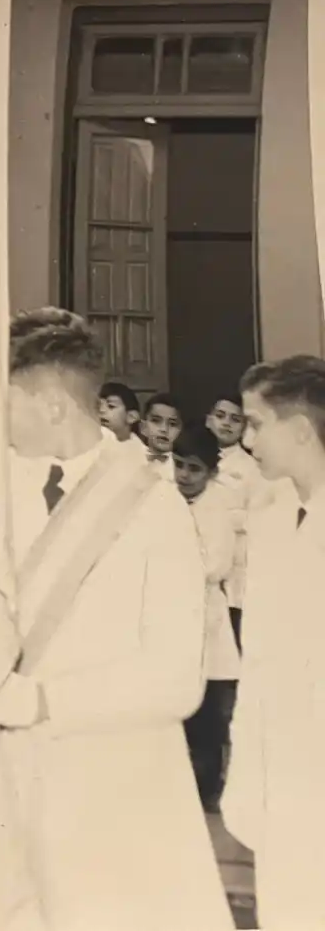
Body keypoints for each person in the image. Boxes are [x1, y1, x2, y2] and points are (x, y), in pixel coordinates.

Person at [0, 307, 230, 931]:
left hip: (109, 794)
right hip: (0, 800)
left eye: (6, 404)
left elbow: (174, 680)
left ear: (54, 405)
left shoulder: (154, 508)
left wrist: (39, 702)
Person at [222, 355, 325, 926]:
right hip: (281, 753)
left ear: (302, 429)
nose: (246, 435)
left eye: (257, 422)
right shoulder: (270, 515)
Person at [172, 422, 241, 811]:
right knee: (179, 706)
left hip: (206, 618)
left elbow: (215, 564)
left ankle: (208, 786)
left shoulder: (216, 508)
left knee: (208, 715)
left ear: (211, 472)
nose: (183, 475)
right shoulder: (164, 499)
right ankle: (182, 787)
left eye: (194, 469)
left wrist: (178, 562)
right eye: (179, 465)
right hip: (173, 616)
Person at [206, 391, 263, 646]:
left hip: (235, 563)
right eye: (220, 416)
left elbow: (258, 517)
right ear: (208, 420)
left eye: (235, 419)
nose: (226, 423)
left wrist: (223, 517)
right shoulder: (192, 458)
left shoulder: (252, 468)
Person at [140, 391, 184, 476]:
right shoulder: (127, 460)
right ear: (143, 427)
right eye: (156, 421)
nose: (164, 429)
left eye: (172, 424)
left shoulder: (184, 471)